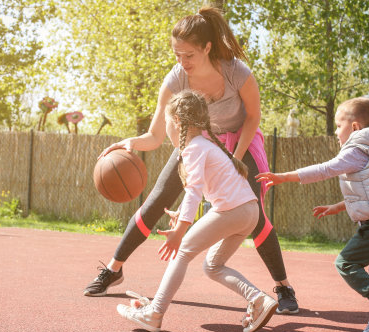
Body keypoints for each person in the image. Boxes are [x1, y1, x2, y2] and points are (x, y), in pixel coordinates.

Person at [83, 6, 299, 314]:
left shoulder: (237, 71)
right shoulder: (176, 80)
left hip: (239, 141)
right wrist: (130, 143)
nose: (182, 63)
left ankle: (283, 286)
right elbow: (155, 136)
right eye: (177, 55)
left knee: (253, 210)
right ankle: (114, 269)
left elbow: (253, 118)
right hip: (196, 140)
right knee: (156, 200)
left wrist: (234, 161)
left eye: (189, 56)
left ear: (207, 48)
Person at [117, 90, 278, 332]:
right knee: (213, 266)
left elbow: (193, 191)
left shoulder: (193, 148)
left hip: (232, 211)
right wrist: (181, 211)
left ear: (178, 122)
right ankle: (258, 299)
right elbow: (202, 188)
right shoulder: (207, 145)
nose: (167, 128)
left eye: (167, 122)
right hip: (249, 211)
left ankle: (154, 313)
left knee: (181, 252)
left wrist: (181, 230)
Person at [256, 97, 369, 332]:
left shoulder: (357, 148)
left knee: (346, 263)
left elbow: (326, 169)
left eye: (338, 125)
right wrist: (338, 206)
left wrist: (285, 176)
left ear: (354, 127)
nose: (335, 131)